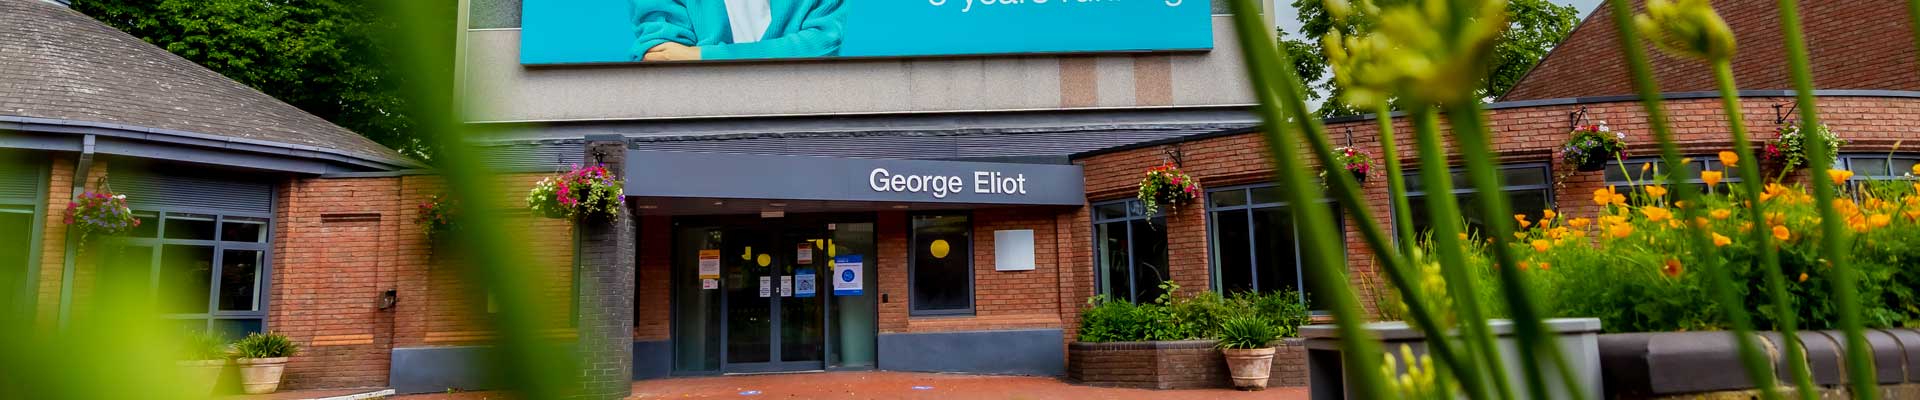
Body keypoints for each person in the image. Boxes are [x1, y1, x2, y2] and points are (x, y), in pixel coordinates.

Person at [629, 0, 845, 62]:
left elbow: (820, 48)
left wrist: (702, 55)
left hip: (796, 126)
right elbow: (662, 57)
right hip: (701, 131)